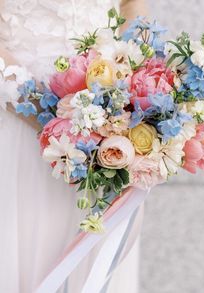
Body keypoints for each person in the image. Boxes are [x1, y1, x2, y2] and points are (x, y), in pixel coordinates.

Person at [0, 0, 147, 292]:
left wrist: (134, 91)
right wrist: (51, 116)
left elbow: (131, 6)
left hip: (107, 138)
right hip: (20, 128)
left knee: (95, 264)